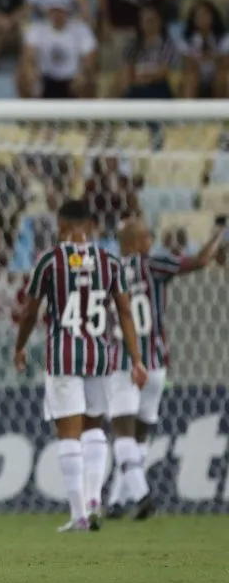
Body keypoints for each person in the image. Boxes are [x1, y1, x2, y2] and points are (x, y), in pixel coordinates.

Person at [13, 199, 147, 532]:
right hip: (100, 355)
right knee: (95, 430)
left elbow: (30, 311)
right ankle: (93, 498)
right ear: (90, 227)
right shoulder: (110, 263)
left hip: (64, 354)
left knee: (68, 434)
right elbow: (126, 313)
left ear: (60, 226)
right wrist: (137, 359)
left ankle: (79, 514)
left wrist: (19, 346)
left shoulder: (50, 261)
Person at [105, 218, 224, 520]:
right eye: (146, 236)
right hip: (155, 363)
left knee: (123, 433)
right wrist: (218, 233)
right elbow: (199, 261)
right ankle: (119, 500)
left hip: (123, 362)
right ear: (132, 242)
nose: (151, 240)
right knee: (140, 434)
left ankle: (140, 494)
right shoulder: (154, 264)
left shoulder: (108, 271)